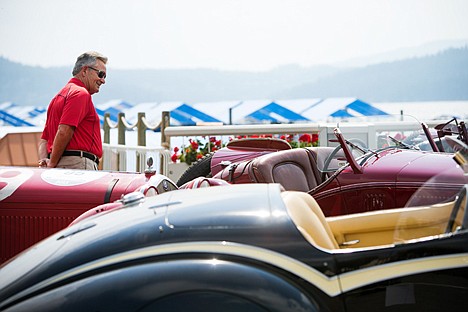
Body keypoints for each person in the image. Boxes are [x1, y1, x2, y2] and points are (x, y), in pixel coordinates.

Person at [38, 51, 107, 170]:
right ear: (85, 71)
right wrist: (51, 163)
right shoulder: (80, 93)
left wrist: (45, 162)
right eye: (101, 74)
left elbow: (44, 140)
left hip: (61, 164)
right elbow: (64, 131)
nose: (103, 80)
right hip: (77, 165)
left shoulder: (57, 98)